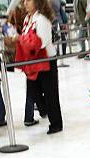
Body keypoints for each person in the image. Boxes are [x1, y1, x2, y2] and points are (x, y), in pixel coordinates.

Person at [20, 0, 63, 134]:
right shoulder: (28, 19)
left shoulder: (42, 19)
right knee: (33, 89)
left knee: (51, 94)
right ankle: (45, 110)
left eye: (29, 0)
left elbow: (42, 42)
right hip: (33, 61)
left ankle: (56, 123)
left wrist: (22, 40)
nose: (25, 3)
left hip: (46, 60)